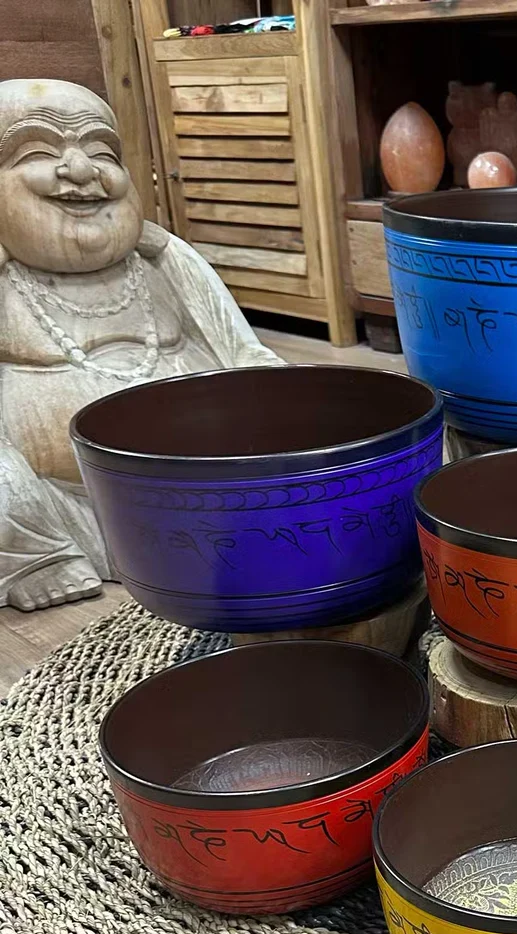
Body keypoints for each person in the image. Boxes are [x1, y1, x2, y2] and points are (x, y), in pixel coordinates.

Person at [0, 78, 280, 610]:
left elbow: (242, 349)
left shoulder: (162, 258)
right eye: (39, 152)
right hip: (65, 502)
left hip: (210, 475)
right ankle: (41, 559)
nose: (82, 172)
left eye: (102, 151)